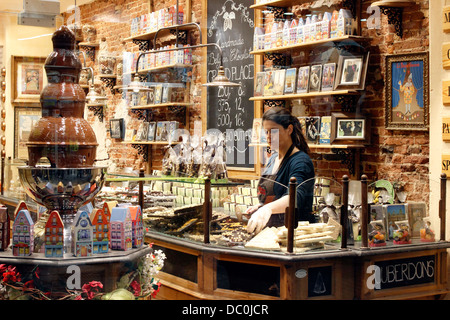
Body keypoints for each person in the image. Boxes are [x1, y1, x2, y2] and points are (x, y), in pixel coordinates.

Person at [246, 107, 315, 234]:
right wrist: (261, 207)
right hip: (272, 232)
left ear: (289, 129)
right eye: (266, 132)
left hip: (292, 234)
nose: (269, 137)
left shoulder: (301, 162)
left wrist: (267, 209)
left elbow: (294, 198)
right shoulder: (273, 158)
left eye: (274, 131)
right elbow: (275, 194)